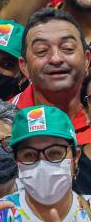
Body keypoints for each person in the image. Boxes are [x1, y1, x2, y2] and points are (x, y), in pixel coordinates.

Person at [12, 8, 91, 145]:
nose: (56, 59)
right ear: (24, 66)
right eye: (41, 50)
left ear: (87, 60)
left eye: (67, 48)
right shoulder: (2, 124)